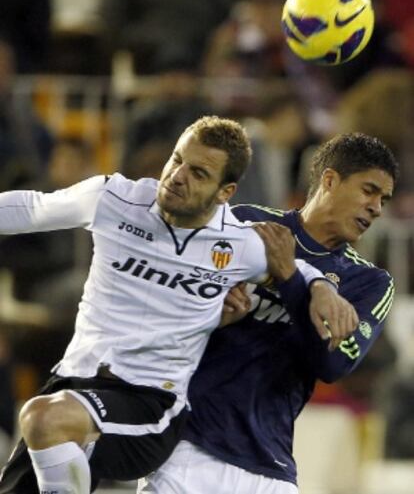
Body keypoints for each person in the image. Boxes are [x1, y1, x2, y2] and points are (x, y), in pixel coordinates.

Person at [0, 115, 353, 494]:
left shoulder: (237, 244)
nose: (177, 175)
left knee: (41, 417)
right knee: (42, 427)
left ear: (225, 192)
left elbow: (294, 266)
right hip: (72, 383)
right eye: (177, 159)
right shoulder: (115, 199)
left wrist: (321, 289)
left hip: (150, 405)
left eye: (199, 173)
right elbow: (34, 208)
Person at [142, 132, 398, 494]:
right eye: (368, 190)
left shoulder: (368, 282)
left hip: (269, 468)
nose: (377, 208)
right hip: (187, 445)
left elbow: (333, 366)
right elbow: (167, 304)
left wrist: (290, 279)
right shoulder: (246, 223)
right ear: (330, 179)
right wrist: (214, 311)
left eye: (384, 199)